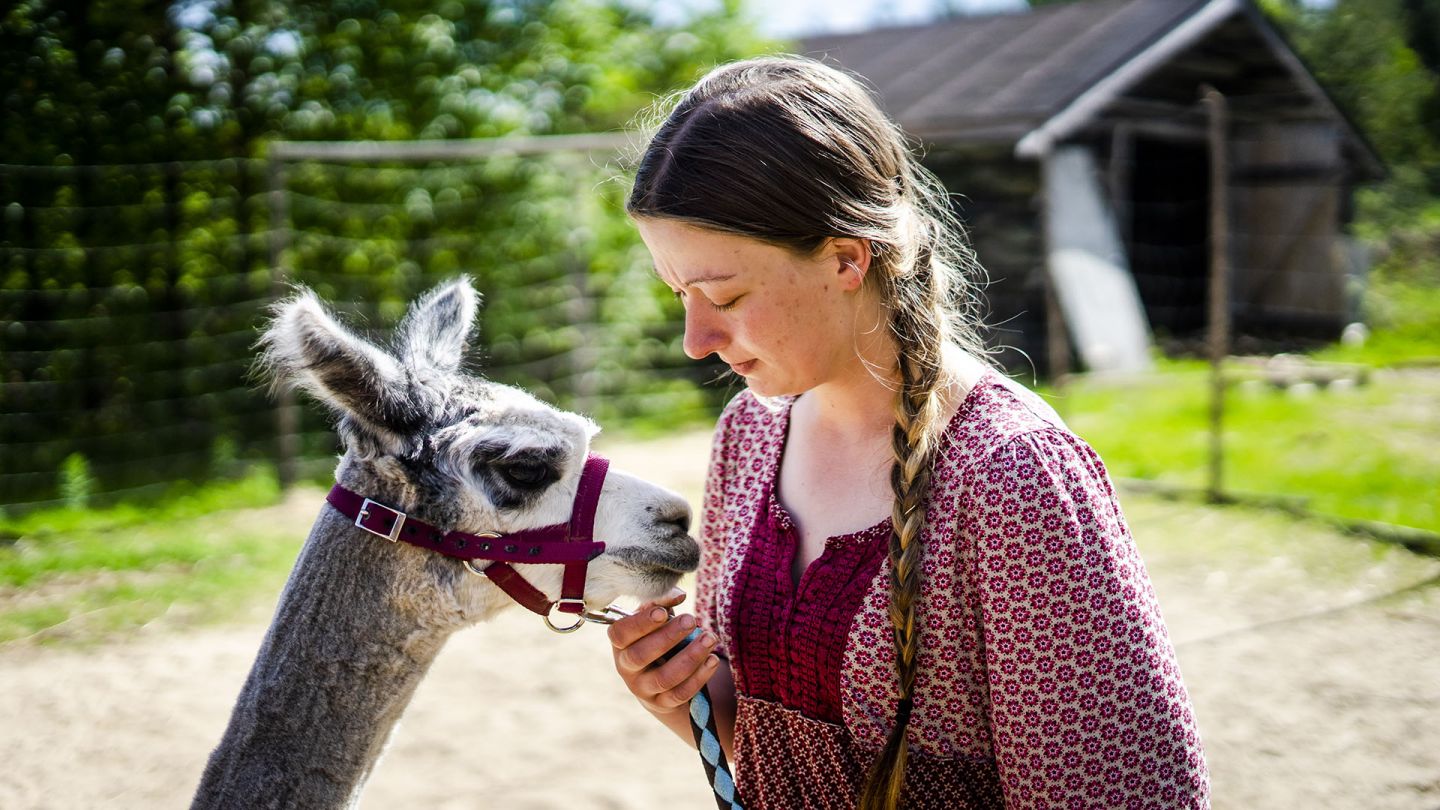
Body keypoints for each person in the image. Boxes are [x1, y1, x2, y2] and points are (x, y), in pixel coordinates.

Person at [606, 55, 1210, 810]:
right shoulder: (747, 438)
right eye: (679, 295)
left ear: (846, 258)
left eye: (724, 294)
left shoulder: (1012, 479)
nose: (695, 339)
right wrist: (684, 696)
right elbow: (774, 757)